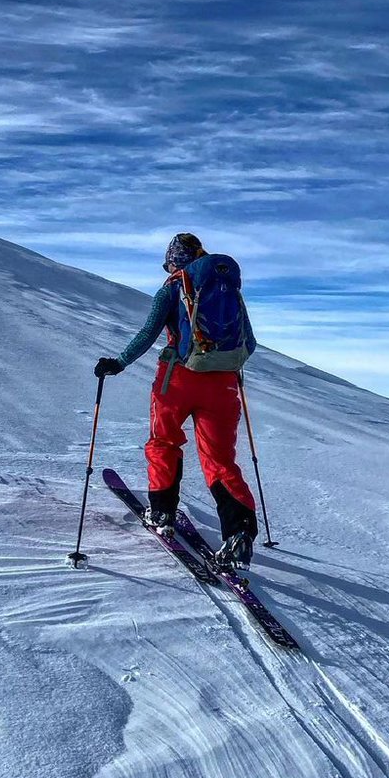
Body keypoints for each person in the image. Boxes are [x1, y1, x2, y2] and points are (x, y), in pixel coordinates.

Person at [94, 232, 258, 566]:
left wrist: (119, 362)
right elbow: (250, 343)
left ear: (174, 260)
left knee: (164, 443)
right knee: (220, 460)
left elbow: (148, 333)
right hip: (224, 384)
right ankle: (239, 531)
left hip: (177, 380)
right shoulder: (227, 289)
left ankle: (162, 514)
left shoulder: (172, 288)